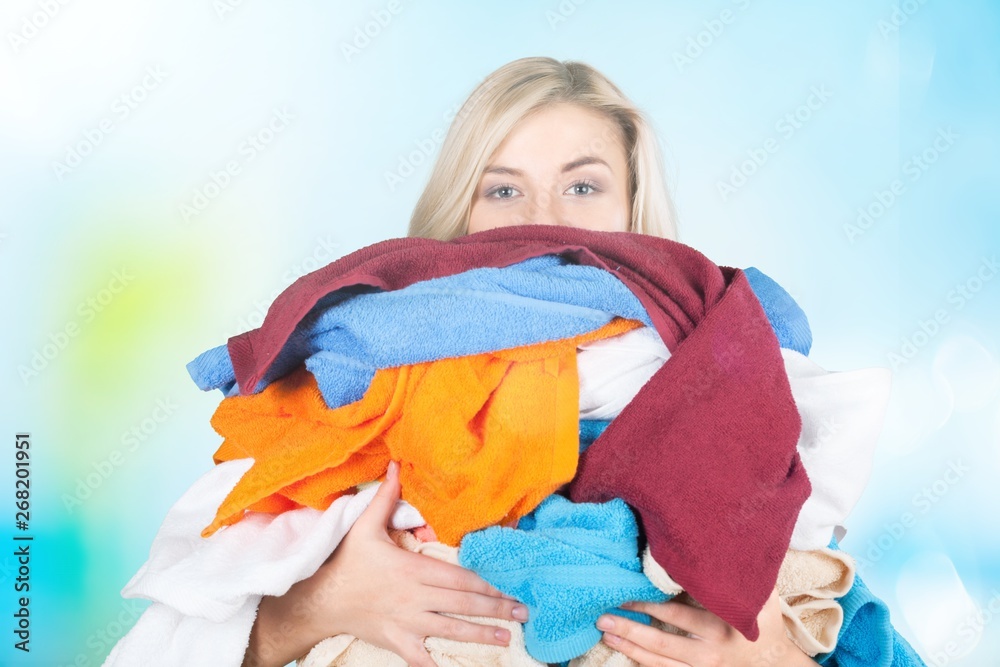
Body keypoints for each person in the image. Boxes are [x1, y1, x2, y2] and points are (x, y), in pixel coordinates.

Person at [242, 57, 821, 667]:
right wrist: (318, 606)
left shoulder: (737, 378)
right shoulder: (356, 369)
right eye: (503, 189)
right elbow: (178, 635)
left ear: (632, 210)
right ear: (459, 218)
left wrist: (775, 661)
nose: (544, 218)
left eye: (582, 186)